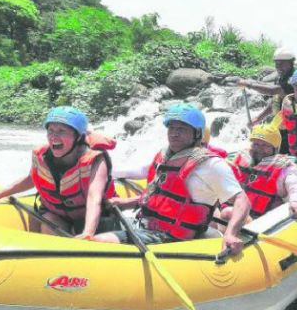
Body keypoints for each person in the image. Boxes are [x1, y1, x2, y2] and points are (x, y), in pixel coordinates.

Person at [92, 103, 251, 256]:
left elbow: (241, 199)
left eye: (181, 129)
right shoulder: (165, 156)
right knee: (98, 221)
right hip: (146, 224)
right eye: (172, 128)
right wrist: (125, 202)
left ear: (197, 133)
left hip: (171, 237)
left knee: (100, 241)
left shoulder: (210, 164)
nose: (174, 133)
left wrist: (230, 233)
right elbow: (157, 195)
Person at [0, 106, 118, 239]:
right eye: (50, 131)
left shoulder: (96, 160)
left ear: (78, 137)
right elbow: (30, 179)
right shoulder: (42, 155)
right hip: (58, 215)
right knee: (43, 220)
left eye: (61, 131)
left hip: (91, 220)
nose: (54, 136)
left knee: (49, 224)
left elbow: (94, 198)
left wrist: (88, 232)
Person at [218, 124, 297, 224]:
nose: (259, 149)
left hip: (262, 222)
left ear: (275, 148)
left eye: (265, 145)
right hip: (236, 212)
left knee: (228, 213)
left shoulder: (284, 167)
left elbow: (295, 186)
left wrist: (295, 201)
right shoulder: (241, 158)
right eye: (256, 144)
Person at [236, 47, 296, 128]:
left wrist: (248, 84)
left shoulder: (294, 79)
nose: (278, 67)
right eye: (277, 64)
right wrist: (258, 118)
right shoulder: (282, 77)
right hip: (283, 122)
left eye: (282, 63)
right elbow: (275, 102)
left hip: (295, 124)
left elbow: (272, 91)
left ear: (290, 63)